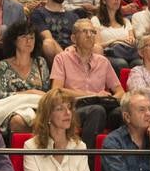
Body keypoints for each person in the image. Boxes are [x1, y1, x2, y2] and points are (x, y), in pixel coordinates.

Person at [49, 17, 124, 150]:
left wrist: (111, 98)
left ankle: (117, 160)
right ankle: (86, 160)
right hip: (74, 108)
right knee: (97, 111)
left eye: (92, 32)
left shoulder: (103, 61)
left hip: (102, 105)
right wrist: (93, 95)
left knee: (122, 113)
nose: (89, 35)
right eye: (84, 31)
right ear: (73, 38)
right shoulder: (62, 58)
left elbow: (120, 91)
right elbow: (57, 90)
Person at [0, 18, 51, 132]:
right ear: (14, 40)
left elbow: (46, 92)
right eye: (24, 37)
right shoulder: (2, 65)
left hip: (38, 107)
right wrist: (29, 93)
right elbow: (1, 94)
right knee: (18, 121)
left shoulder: (40, 62)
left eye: (32, 37)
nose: (29, 41)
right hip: (13, 108)